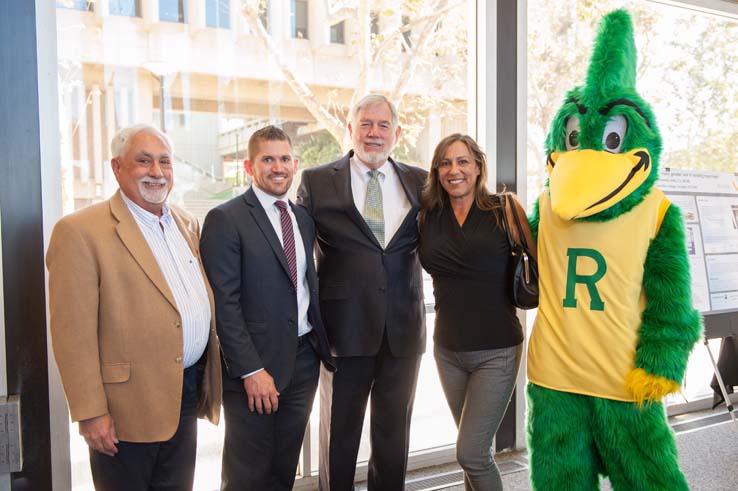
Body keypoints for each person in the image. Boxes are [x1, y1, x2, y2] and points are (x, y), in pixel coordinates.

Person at [46, 124, 222, 491]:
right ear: (117, 168)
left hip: (183, 392)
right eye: (143, 161)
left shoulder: (185, 223)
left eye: (164, 162)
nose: (156, 172)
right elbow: (71, 335)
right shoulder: (80, 231)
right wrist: (91, 414)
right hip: (125, 409)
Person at [297, 94, 428, 490]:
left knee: (393, 437)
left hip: (403, 330)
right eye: (366, 124)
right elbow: (298, 251)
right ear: (350, 129)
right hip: (344, 331)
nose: (374, 133)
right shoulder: (317, 181)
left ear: (397, 133)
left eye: (383, 125)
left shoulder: (421, 181)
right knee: (340, 437)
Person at [200, 125, 335, 490]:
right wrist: (250, 370)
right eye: (268, 159)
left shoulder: (302, 218)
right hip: (254, 369)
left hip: (303, 361)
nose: (278, 167)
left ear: (295, 164)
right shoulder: (226, 219)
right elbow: (224, 305)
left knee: (282, 467)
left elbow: (305, 284)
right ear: (249, 166)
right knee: (248, 474)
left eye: (285, 159)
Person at [418, 134, 530, 491]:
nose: (455, 170)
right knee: (475, 453)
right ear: (437, 172)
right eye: (446, 163)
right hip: (448, 351)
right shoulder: (428, 216)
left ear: (478, 166)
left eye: (463, 161)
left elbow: (541, 261)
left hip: (496, 350)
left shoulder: (503, 209)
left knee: (471, 453)